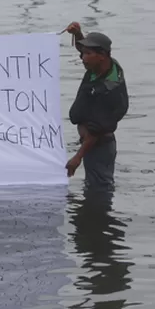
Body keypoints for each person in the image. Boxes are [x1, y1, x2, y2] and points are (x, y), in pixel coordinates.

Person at [64, 22, 129, 189]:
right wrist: (78, 34)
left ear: (101, 55)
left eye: (87, 54)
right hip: (93, 143)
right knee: (94, 185)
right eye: (83, 53)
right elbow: (86, 49)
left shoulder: (108, 89)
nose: (82, 58)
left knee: (99, 189)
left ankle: (101, 213)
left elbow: (95, 131)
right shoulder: (105, 65)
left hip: (98, 145)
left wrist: (77, 157)